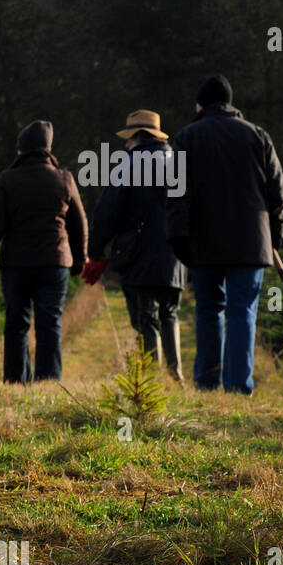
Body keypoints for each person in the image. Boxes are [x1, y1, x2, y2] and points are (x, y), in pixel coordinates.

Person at [166, 75, 283, 395]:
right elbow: (278, 193)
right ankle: (238, 386)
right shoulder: (259, 136)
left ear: (200, 104)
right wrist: (275, 237)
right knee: (242, 311)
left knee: (208, 309)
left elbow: (176, 194)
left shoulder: (186, 138)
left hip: (204, 243)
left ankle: (207, 383)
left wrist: (179, 239)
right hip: (251, 242)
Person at [0, 120, 87, 383]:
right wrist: (80, 259)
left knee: (16, 324)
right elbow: (79, 223)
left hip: (16, 265)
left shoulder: (8, 179)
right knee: (50, 324)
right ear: (48, 149)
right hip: (54, 264)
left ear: (21, 149)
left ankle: (15, 381)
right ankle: (48, 382)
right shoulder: (64, 178)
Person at [83, 110, 187, 381]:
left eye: (129, 138)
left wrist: (95, 252)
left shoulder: (127, 166)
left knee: (146, 318)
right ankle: (176, 377)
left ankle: (152, 382)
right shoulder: (179, 163)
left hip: (139, 255)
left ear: (140, 137)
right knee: (170, 313)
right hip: (176, 256)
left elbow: (106, 214)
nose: (126, 144)